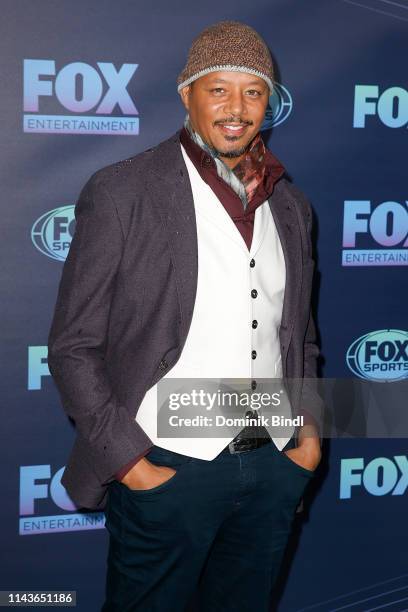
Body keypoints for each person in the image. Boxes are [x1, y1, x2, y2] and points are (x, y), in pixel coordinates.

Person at [48, 20, 324, 612]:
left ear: (269, 103)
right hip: (166, 465)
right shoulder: (124, 190)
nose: (237, 107)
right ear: (186, 95)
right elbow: (74, 345)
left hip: (274, 464)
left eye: (253, 91)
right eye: (218, 89)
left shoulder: (293, 207)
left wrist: (308, 437)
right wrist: (129, 461)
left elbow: (299, 334)